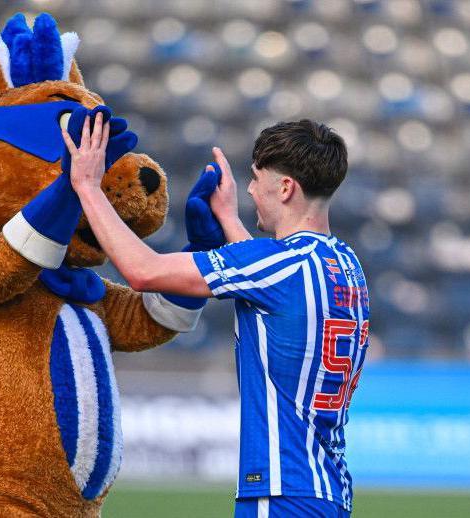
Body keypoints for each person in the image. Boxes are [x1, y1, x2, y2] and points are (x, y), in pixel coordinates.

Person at [64, 113, 369, 518]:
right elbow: (267, 278)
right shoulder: (344, 264)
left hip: (282, 492)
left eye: (257, 179)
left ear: (285, 187)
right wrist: (227, 218)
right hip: (327, 490)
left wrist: (87, 187)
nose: (251, 190)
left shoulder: (282, 264)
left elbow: (143, 271)